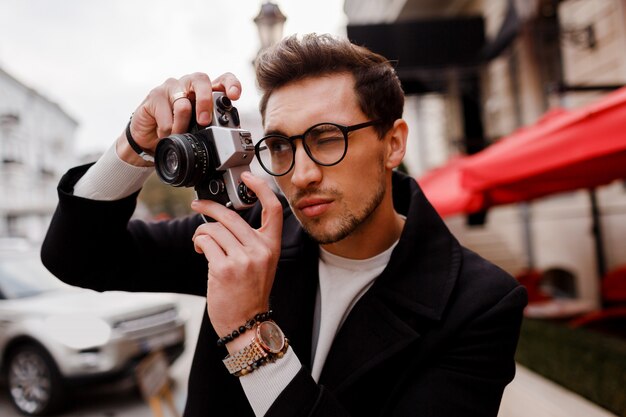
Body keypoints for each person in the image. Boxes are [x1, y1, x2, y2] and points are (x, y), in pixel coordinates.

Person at [42, 33, 527, 417]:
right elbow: (77, 258)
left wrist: (249, 334)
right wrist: (135, 143)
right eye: (279, 146)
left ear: (393, 144)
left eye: (327, 137)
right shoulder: (245, 235)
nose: (300, 174)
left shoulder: (479, 303)